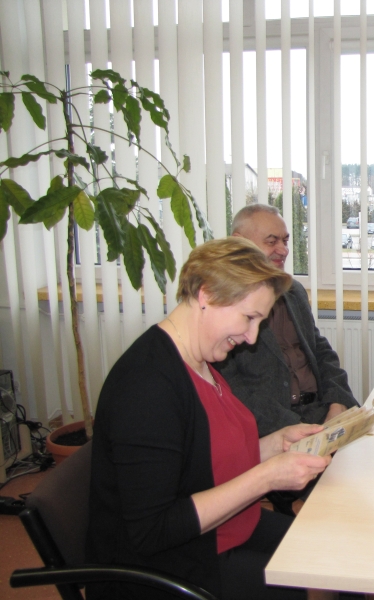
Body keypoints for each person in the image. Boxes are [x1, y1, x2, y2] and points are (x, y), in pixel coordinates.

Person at [86, 237, 332, 600]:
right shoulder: (147, 385)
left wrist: (275, 445)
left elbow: (205, 459)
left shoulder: (200, 361)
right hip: (167, 566)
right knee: (314, 583)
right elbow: (153, 530)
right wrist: (266, 478)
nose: (251, 338)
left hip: (224, 529)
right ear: (207, 294)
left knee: (333, 555)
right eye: (249, 318)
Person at [216, 204, 358, 437]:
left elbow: (320, 351)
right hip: (272, 429)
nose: (283, 250)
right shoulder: (224, 304)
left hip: (321, 414)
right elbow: (231, 387)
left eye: (285, 241)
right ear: (239, 242)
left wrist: (338, 402)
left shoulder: (294, 291)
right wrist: (297, 428)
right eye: (272, 241)